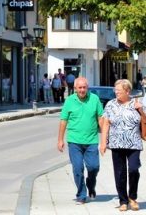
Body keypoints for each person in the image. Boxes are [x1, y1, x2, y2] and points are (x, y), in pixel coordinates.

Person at [57, 77, 103, 205]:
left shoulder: (94, 99)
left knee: (94, 167)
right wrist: (60, 139)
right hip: (74, 141)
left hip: (92, 140)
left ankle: (91, 185)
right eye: (80, 88)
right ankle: (81, 195)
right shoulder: (69, 101)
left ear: (87, 88)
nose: (82, 90)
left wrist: (105, 137)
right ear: (75, 89)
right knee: (77, 169)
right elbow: (63, 121)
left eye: (84, 87)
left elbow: (100, 119)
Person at [100, 79, 143, 211]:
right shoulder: (110, 104)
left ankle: (133, 197)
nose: (116, 92)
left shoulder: (136, 103)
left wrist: (141, 110)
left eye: (119, 91)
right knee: (120, 173)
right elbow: (105, 123)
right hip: (116, 143)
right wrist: (103, 142)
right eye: (116, 90)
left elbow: (145, 120)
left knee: (134, 169)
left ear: (127, 91)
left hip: (134, 143)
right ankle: (123, 201)